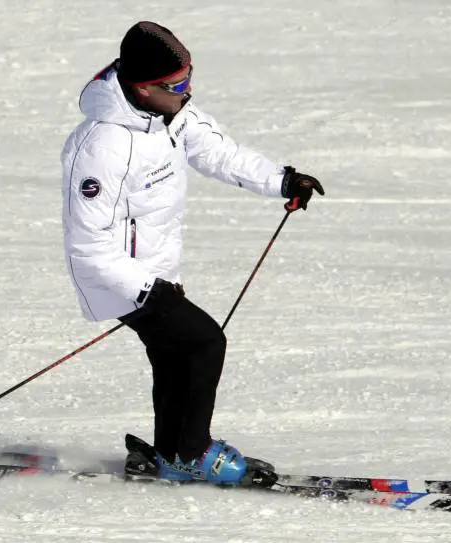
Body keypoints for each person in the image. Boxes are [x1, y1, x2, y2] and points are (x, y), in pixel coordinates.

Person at [60, 21, 324, 485]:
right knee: (204, 343)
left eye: (189, 78)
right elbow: (88, 246)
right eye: (178, 84)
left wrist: (283, 180)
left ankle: (171, 453)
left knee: (174, 357)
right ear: (143, 89)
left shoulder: (171, 113)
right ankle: (192, 454)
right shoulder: (102, 146)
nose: (188, 91)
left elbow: (220, 153)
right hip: (118, 278)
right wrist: (146, 290)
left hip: (156, 272)